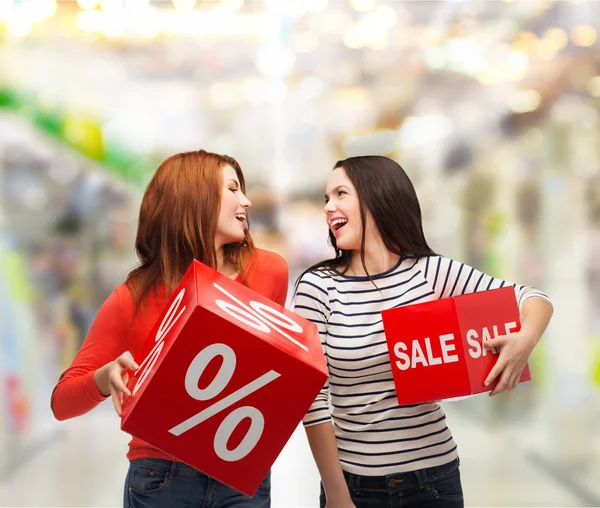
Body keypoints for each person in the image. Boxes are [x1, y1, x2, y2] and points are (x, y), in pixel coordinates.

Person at [293, 156, 553, 508]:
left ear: (378, 196)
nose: (329, 207)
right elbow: (313, 399)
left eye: (341, 193)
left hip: (434, 481)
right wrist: (337, 494)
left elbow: (532, 297)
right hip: (354, 487)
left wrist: (526, 340)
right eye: (326, 198)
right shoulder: (318, 287)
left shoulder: (429, 273)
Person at [51, 150, 288, 508]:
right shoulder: (133, 297)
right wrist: (105, 376)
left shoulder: (269, 272)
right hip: (160, 477)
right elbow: (62, 402)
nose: (247, 201)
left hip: (240, 473)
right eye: (233, 189)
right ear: (195, 198)